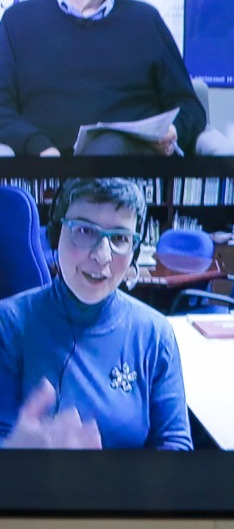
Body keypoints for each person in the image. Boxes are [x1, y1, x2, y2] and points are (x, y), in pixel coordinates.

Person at [0, 178, 191, 449]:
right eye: (85, 231)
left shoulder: (156, 333)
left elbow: (175, 443)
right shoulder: (8, 323)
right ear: (56, 235)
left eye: (120, 238)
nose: (102, 256)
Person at [0, 0, 203, 156]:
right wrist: (41, 149)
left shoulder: (145, 20)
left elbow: (189, 106)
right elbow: (1, 108)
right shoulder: (18, 21)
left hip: (130, 166)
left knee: (109, 148)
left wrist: (172, 130)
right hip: (48, 166)